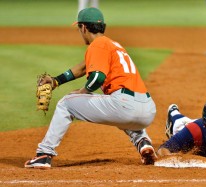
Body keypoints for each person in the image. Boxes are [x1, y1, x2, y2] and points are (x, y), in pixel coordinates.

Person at [25, 7, 157, 169]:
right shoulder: (113, 45)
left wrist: (83, 91)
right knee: (116, 108)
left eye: (79, 28)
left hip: (125, 105)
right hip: (147, 110)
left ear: (84, 27)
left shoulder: (97, 46)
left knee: (66, 103)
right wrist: (55, 81)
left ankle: (44, 154)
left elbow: (97, 77)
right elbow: (83, 67)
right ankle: (143, 142)